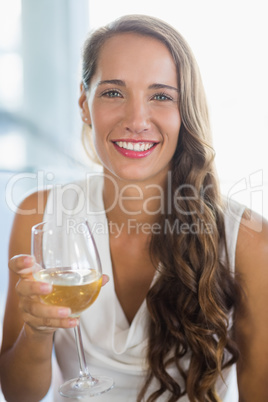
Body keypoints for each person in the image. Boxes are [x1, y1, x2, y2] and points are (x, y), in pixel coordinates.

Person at [0, 14, 267, 402]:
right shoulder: (38, 215)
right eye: (113, 92)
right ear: (84, 105)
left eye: (160, 96)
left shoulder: (249, 242)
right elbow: (19, 393)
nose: (136, 120)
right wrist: (37, 332)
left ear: (184, 112)